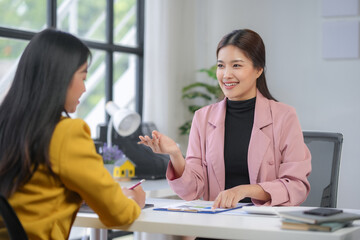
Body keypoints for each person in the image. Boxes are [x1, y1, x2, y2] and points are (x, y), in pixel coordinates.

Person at [139, 29, 311, 210]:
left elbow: (297, 186)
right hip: (218, 225)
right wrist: (174, 154)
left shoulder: (284, 116)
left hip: (264, 228)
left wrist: (245, 191)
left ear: (258, 70)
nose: (226, 74)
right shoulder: (203, 118)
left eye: (236, 65)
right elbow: (191, 190)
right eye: (221, 66)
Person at [0, 28, 145, 239]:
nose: (84, 89)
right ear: (60, 77)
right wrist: (133, 200)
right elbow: (118, 214)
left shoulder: (7, 125)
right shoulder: (66, 132)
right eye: (83, 77)